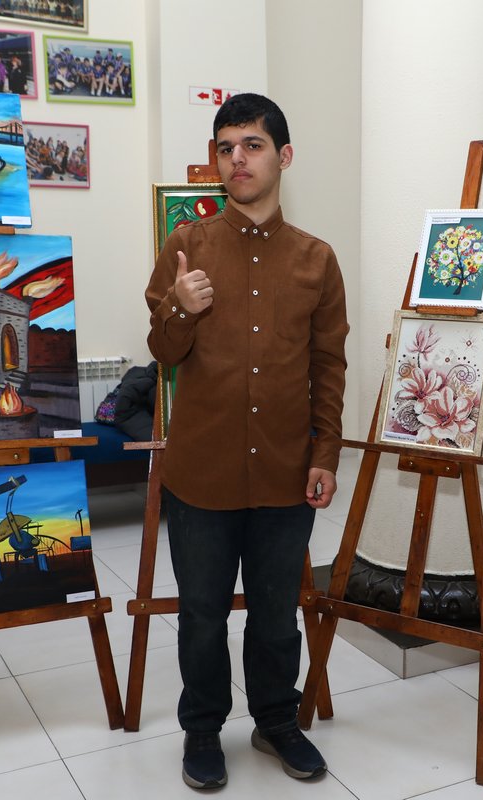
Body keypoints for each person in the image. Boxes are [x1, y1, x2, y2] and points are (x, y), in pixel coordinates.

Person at [144, 93, 347, 790]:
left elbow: (329, 366)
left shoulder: (317, 259)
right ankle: (203, 731)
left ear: (283, 156)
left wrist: (325, 454)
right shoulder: (186, 247)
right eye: (226, 147)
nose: (237, 159)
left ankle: (276, 722)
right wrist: (180, 308)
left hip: (286, 471)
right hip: (201, 473)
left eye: (252, 145)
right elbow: (163, 352)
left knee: (275, 615)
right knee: (201, 616)